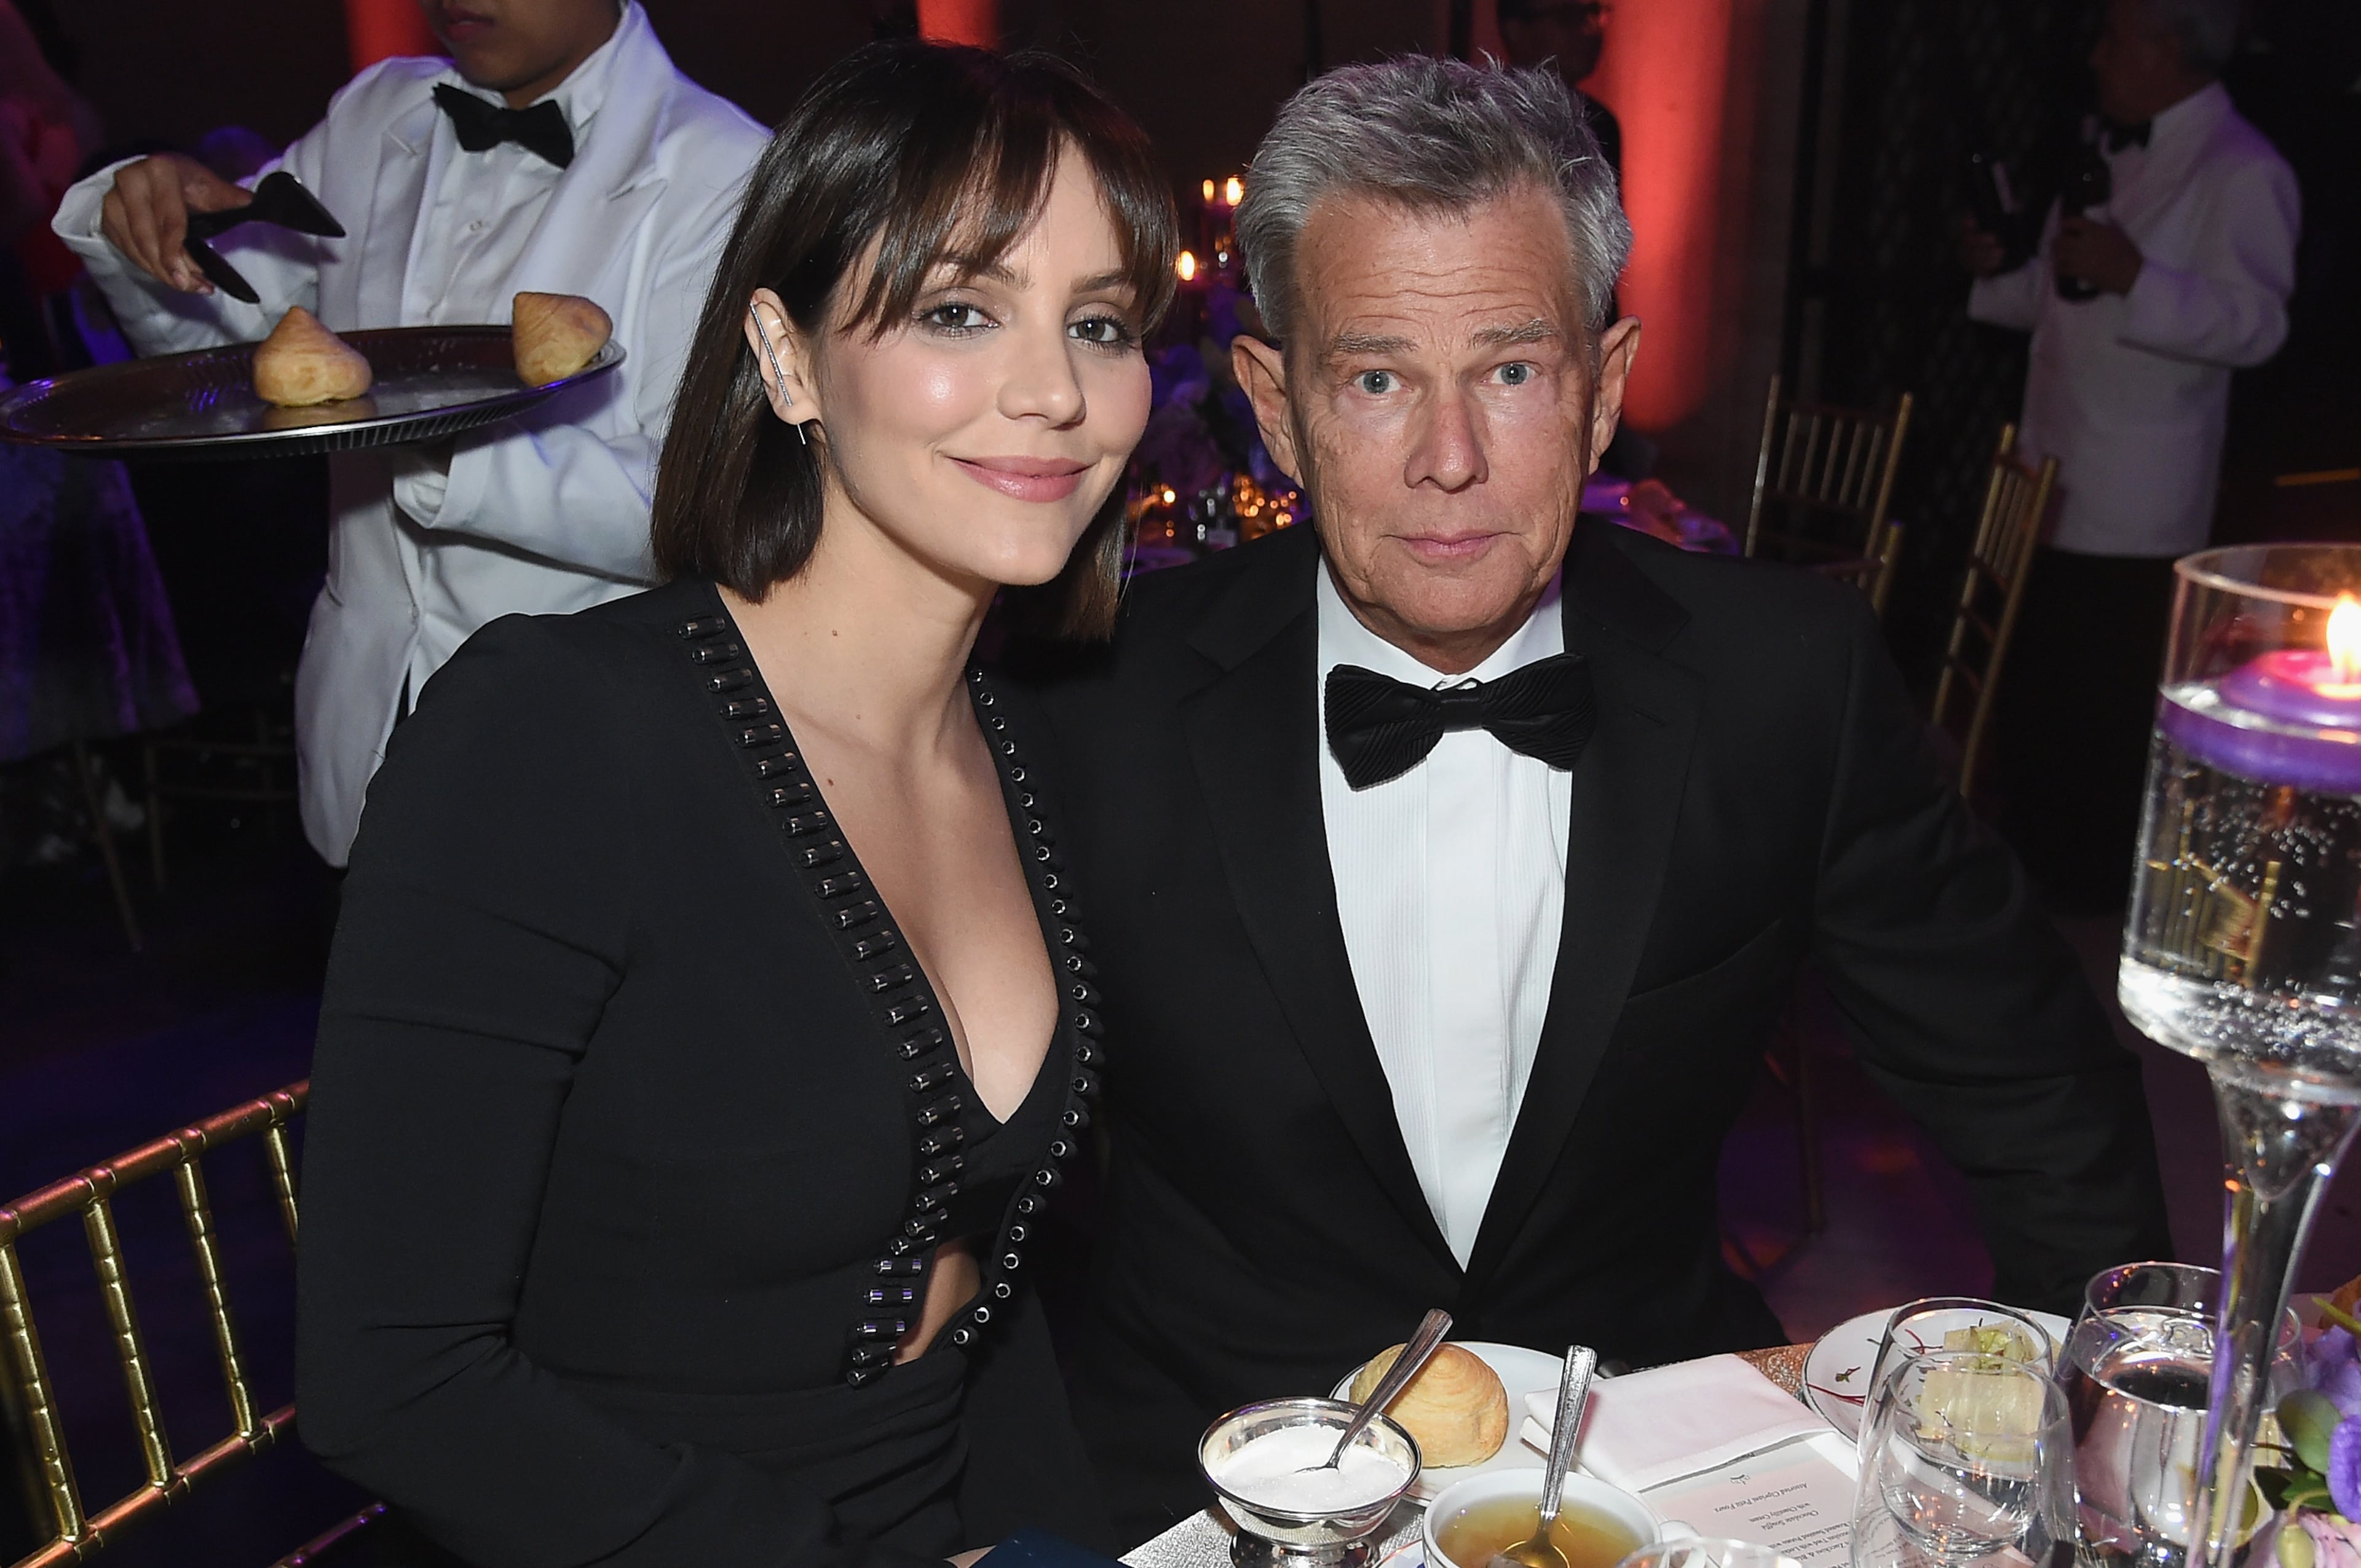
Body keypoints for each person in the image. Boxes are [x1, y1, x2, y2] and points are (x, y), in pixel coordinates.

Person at [1007, 57, 2173, 1537]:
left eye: (1511, 370)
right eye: (1376, 379)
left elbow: (2039, 1096)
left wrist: (2104, 1470)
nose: (1449, 459)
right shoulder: (1086, 703)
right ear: (1276, 409)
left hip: (1642, 1466)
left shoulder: (1779, 683)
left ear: (1604, 388)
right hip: (1210, 1472)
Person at [293, 41, 1173, 1568]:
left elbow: (990, 1297)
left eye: (1099, 324)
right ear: (782, 357)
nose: (1055, 392)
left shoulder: (1034, 741)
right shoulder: (554, 739)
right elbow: (397, 1383)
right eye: (963, 310)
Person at [50, 0, 766, 866]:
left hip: (584, 788)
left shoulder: (727, 173)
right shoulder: (374, 115)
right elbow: (231, 361)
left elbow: (700, 515)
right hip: (362, 763)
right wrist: (150, 232)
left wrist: (429, 447)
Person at [1963, 0, 2298, 912]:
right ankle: (2029, 909)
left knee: (2101, 726)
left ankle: (2094, 930)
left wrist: (2139, 277)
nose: (2100, 54)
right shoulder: (2107, 147)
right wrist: (1998, 272)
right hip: (2056, 477)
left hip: (2140, 503)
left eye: (2116, 36)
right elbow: (2065, 301)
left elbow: (2260, 323)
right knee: (2037, 714)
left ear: (2169, 48)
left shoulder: (2243, 169)